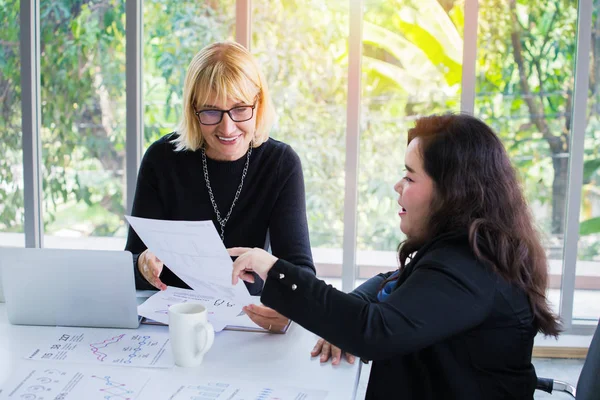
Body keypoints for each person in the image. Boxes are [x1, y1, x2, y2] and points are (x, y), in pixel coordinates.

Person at [230, 113, 561, 399]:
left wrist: (274, 270)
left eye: (409, 176)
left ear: (453, 191)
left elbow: (373, 332)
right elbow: (389, 282)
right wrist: (346, 316)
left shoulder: (471, 268)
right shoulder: (465, 247)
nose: (397, 186)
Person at [125, 41, 315, 333]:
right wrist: (142, 265)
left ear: (259, 104)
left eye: (240, 110)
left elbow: (302, 274)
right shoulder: (161, 160)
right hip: (170, 322)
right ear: (193, 109)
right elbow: (130, 264)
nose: (227, 129)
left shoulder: (280, 163)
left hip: (248, 322)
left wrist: (283, 298)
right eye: (211, 112)